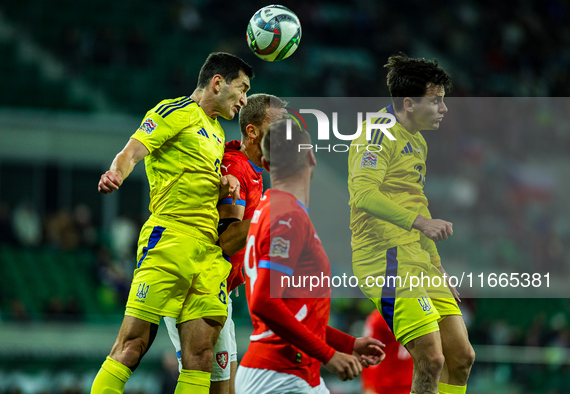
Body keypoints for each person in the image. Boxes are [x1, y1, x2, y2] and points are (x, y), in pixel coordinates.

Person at [91, 52, 253, 394]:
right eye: (242, 88)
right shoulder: (174, 112)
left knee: (201, 357)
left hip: (208, 253)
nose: (244, 99)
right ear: (217, 82)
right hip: (169, 240)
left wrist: (226, 185)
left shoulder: (218, 134)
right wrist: (115, 172)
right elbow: (133, 150)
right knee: (132, 346)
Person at [348, 54, 475, 394]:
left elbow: (415, 202)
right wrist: (420, 223)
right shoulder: (377, 133)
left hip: (418, 259)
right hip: (383, 258)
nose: (443, 109)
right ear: (409, 102)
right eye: (436, 102)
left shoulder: (417, 140)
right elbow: (363, 194)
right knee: (431, 359)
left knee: (461, 357)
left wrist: (437, 265)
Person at [236, 119, 386, 394]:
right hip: (279, 375)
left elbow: (296, 313)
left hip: (291, 373)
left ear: (267, 165)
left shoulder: (272, 209)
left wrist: (347, 345)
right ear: (310, 156)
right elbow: (264, 302)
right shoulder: (288, 218)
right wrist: (329, 355)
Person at [164, 93, 288, 394]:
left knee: (225, 390)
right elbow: (226, 239)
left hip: (218, 289)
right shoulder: (235, 168)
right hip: (195, 285)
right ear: (252, 131)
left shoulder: (255, 175)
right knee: (205, 381)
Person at [361, 309, 413, 394]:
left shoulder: (422, 312)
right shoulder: (379, 318)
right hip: (387, 387)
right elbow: (368, 352)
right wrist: (369, 385)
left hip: (415, 383)